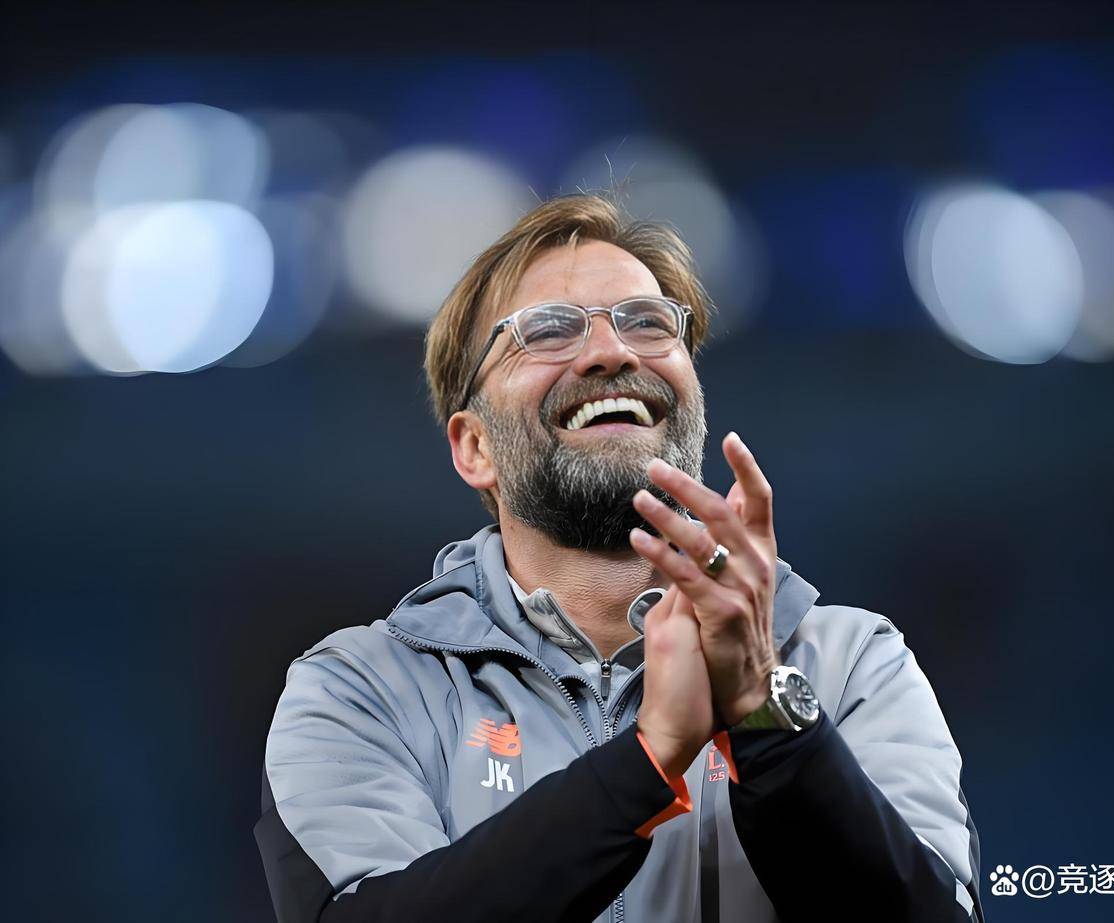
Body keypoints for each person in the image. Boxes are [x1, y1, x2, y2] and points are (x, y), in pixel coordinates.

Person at [255, 194, 985, 922]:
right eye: (548, 330)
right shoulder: (361, 689)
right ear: (474, 447)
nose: (613, 352)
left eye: (648, 322)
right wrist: (646, 760)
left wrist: (766, 710)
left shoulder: (853, 665)